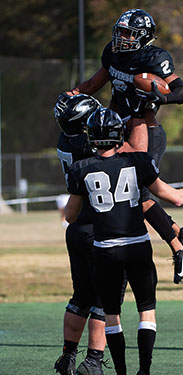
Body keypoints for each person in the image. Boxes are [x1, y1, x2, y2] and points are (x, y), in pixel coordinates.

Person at [64, 107, 183, 375]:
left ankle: (120, 372)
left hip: (105, 250)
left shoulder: (80, 169)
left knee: (111, 315)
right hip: (137, 247)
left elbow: (71, 216)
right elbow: (174, 197)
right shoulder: (139, 162)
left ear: (92, 137)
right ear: (118, 135)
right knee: (146, 312)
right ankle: (144, 371)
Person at [62, 8, 183, 264]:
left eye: (129, 33)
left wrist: (162, 98)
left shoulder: (154, 58)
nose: (122, 37)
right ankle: (180, 237)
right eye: (120, 31)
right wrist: (70, 96)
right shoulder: (112, 53)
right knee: (134, 193)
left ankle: (179, 247)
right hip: (116, 130)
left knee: (139, 192)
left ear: (144, 37)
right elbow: (91, 85)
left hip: (146, 130)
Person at [54, 93, 149, 375]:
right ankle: (94, 360)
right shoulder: (90, 146)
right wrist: (139, 113)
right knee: (105, 299)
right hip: (100, 228)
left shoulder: (66, 140)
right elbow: (135, 151)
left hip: (76, 229)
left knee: (80, 296)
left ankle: (67, 357)